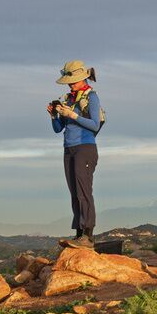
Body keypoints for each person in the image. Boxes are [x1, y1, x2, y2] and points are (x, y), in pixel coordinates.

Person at [48, 61, 107, 250]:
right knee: (74, 192)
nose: (70, 84)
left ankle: (88, 235)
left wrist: (73, 116)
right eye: (69, 82)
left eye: (72, 81)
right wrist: (54, 116)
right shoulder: (69, 98)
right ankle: (79, 234)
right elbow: (58, 129)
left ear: (82, 78)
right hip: (69, 149)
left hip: (85, 147)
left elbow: (95, 125)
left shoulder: (92, 97)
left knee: (83, 191)